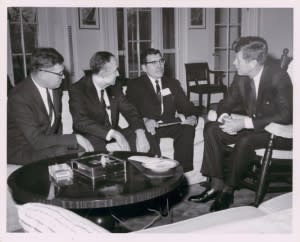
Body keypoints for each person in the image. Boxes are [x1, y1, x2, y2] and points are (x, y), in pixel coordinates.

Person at [188, 36, 293, 211]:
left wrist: (244, 123)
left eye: (238, 59)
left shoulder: (278, 77)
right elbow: (226, 103)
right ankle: (216, 185)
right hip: (254, 129)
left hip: (279, 133)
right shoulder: (241, 77)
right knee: (212, 128)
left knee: (245, 141)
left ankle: (227, 192)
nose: (234, 63)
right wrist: (224, 118)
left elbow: (285, 115)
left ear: (252, 63)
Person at [7, 48, 94, 165]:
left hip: (45, 145)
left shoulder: (55, 88)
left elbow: (57, 124)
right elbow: (36, 140)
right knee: (67, 150)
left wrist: (69, 141)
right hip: (22, 149)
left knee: (79, 149)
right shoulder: (19, 97)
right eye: (59, 73)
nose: (63, 77)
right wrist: (74, 138)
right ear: (42, 73)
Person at [126, 48, 198, 172]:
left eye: (161, 61)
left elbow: (186, 106)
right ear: (144, 67)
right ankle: (156, 174)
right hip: (149, 126)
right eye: (153, 63)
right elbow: (131, 110)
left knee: (187, 128)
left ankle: (180, 173)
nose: (159, 66)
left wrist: (192, 116)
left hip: (169, 123)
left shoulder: (172, 83)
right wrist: (145, 119)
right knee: (149, 134)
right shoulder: (135, 85)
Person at [69, 51, 152, 153]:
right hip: (91, 134)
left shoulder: (115, 85)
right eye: (115, 70)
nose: (118, 74)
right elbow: (80, 121)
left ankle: (151, 165)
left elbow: (130, 110)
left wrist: (140, 132)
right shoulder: (78, 89)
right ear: (103, 74)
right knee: (96, 142)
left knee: (145, 134)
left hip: (115, 131)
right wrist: (113, 133)